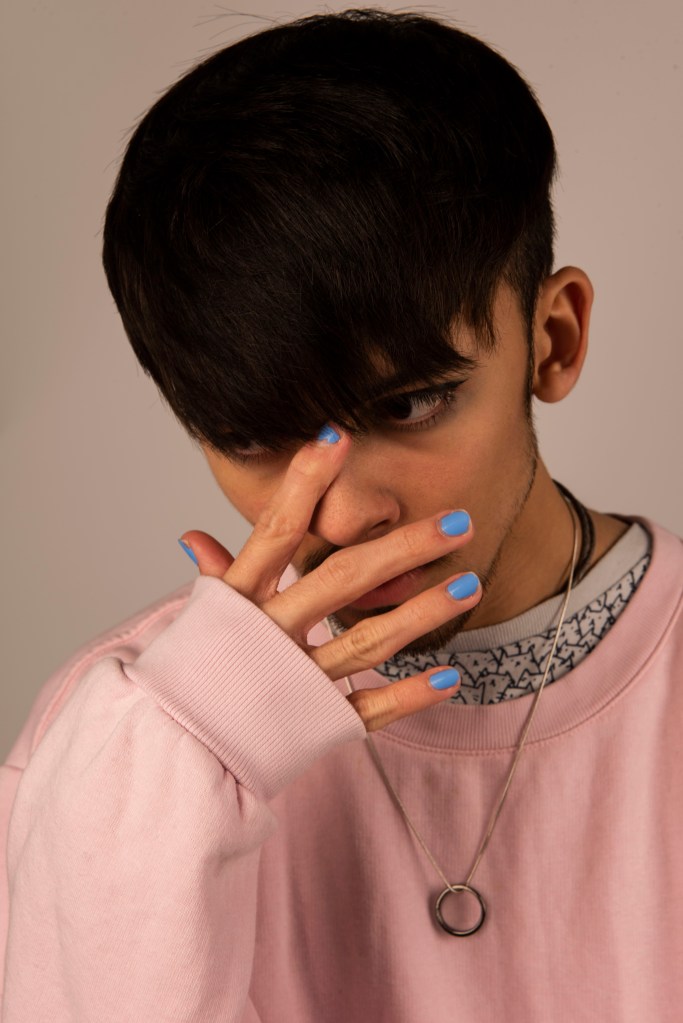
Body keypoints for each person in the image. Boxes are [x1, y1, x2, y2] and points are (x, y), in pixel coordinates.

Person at [1, 7, 681, 1020]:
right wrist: (173, 778)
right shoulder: (114, 752)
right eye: (252, 438)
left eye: (409, 407)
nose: (347, 513)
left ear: (553, 338)